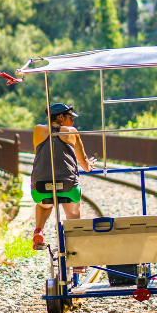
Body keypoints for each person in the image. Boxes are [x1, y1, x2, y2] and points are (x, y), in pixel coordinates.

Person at [31, 102, 96, 249]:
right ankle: (76, 250)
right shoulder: (71, 132)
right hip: (68, 186)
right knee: (73, 211)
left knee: (44, 205)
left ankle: (39, 231)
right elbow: (84, 164)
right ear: (61, 117)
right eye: (70, 117)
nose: (73, 121)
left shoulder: (37, 130)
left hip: (41, 187)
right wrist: (89, 166)